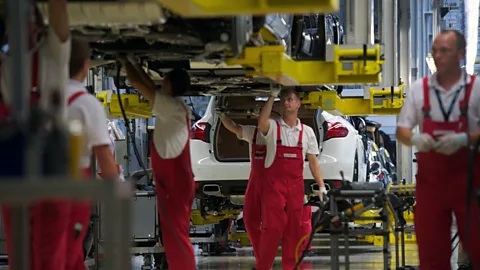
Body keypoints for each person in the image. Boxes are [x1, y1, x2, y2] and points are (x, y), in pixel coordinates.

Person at [396, 29, 480, 270]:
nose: (438, 56)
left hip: (470, 183)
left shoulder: (476, 89)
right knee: (432, 254)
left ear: (461, 55)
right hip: (431, 185)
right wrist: (416, 139)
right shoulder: (418, 90)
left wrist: (464, 139)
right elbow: (402, 130)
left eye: (445, 51)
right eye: (435, 51)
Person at [0, 1, 72, 269]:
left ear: (38, 26)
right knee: (19, 256)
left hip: (51, 165)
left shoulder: (54, 54)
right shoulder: (6, 65)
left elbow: (60, 15)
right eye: (12, 19)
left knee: (49, 256)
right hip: (16, 167)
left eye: (25, 17)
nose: (17, 24)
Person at [119, 55, 196, 269]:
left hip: (175, 185)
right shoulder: (174, 105)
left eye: (164, 80)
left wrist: (125, 60)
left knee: (176, 238)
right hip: (174, 184)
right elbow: (146, 84)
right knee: (173, 237)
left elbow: (139, 85)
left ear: (169, 84)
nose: (161, 83)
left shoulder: (172, 107)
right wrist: (133, 63)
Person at [255, 88, 326, 270]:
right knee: (272, 229)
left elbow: (313, 162)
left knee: (294, 233)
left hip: (295, 188)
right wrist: (271, 95)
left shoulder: (308, 132)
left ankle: (291, 268)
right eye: (283, 100)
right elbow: (261, 121)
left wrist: (321, 185)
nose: (286, 103)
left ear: (298, 104)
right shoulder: (273, 127)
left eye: (290, 99)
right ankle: (263, 267)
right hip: (273, 188)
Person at [65, 37, 120, 270]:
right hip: (74, 191)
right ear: (86, 66)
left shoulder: (41, 97)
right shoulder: (86, 104)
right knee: (71, 253)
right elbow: (105, 157)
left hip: (40, 187)